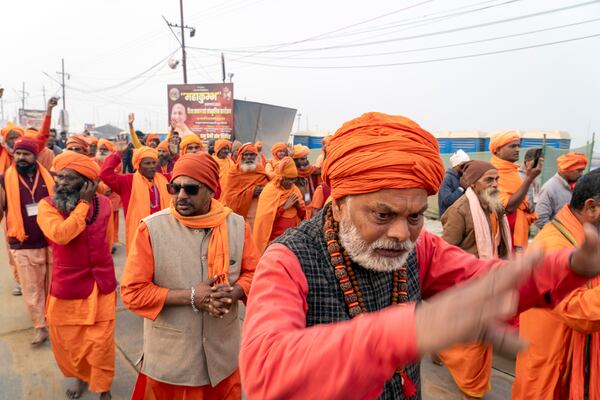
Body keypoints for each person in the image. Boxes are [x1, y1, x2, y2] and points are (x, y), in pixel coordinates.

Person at [238, 112, 600, 400]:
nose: (401, 233)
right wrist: (401, 332)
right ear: (338, 204)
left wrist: (567, 267)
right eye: (382, 215)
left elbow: (485, 281)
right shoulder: (287, 260)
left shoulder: (420, 245)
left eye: (413, 216)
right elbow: (265, 375)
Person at [120, 152, 259, 400]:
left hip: (222, 360)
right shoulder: (152, 228)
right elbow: (132, 293)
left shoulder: (237, 226)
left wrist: (235, 291)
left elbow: (254, 274)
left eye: (191, 189)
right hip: (173, 364)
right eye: (175, 187)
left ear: (211, 191)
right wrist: (192, 296)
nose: (181, 196)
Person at [513, 171, 600, 400]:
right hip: (555, 369)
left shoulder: (585, 234)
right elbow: (578, 310)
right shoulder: (554, 243)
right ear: (591, 208)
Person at [37, 152, 117, 400]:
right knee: (71, 342)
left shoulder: (103, 203)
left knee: (101, 343)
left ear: (87, 183)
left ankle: (103, 386)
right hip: (68, 286)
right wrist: (83, 205)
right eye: (58, 176)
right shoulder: (46, 206)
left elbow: (108, 238)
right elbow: (61, 235)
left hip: (101, 284)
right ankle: (80, 376)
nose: (60, 183)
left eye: (68, 178)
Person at [438, 160, 512, 399]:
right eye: (489, 180)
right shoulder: (459, 210)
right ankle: (471, 384)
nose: (495, 184)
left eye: (497, 179)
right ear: (473, 182)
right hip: (467, 284)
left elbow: (498, 242)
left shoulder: (494, 207)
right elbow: (445, 253)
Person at [0, 137, 54, 345]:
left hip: (50, 240)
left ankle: (52, 319)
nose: (21, 158)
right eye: (18, 153)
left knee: (51, 285)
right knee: (32, 288)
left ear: (35, 156)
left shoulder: (50, 177)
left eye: (26, 154)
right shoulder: (4, 180)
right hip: (22, 243)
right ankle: (40, 326)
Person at [99, 145, 170, 252]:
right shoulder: (127, 181)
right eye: (147, 163)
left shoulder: (165, 179)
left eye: (153, 163)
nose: (151, 166)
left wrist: (175, 156)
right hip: (139, 233)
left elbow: (181, 172)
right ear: (138, 165)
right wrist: (118, 154)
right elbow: (105, 174)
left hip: (162, 231)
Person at [490, 130, 540, 251]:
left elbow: (520, 199)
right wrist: (529, 178)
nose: (517, 149)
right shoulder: (492, 173)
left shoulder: (513, 172)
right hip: (501, 237)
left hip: (516, 232)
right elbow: (508, 207)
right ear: (497, 150)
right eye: (512, 146)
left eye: (518, 146)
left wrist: (527, 205)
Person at [252, 157, 305, 254]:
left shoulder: (295, 189)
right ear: (281, 178)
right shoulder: (270, 191)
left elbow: (302, 215)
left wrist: (297, 206)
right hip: (275, 239)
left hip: (293, 238)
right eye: (289, 179)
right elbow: (266, 219)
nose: (292, 182)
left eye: (294, 179)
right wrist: (284, 208)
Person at [220, 143, 269, 229]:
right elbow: (229, 197)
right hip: (240, 216)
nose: (249, 157)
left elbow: (268, 189)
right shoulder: (234, 172)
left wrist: (263, 190)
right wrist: (251, 193)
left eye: (252, 154)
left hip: (258, 214)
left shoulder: (260, 169)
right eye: (246, 155)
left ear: (256, 156)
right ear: (241, 156)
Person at [535, 152, 588, 229]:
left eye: (582, 170)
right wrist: (558, 235)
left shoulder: (577, 186)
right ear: (567, 169)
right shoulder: (550, 188)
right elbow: (540, 219)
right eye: (579, 170)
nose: (581, 174)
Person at [96, 139, 122, 250]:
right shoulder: (94, 161)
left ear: (110, 151)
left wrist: (107, 188)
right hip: (98, 194)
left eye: (104, 149)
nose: (101, 151)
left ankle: (112, 241)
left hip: (113, 195)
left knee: (113, 221)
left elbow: (117, 177)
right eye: (100, 149)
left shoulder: (117, 163)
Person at [438, 149, 470, 217]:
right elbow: (447, 200)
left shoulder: (463, 177)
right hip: (449, 217)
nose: (466, 168)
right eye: (464, 165)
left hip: (460, 216)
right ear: (456, 165)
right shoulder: (447, 179)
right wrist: (461, 188)